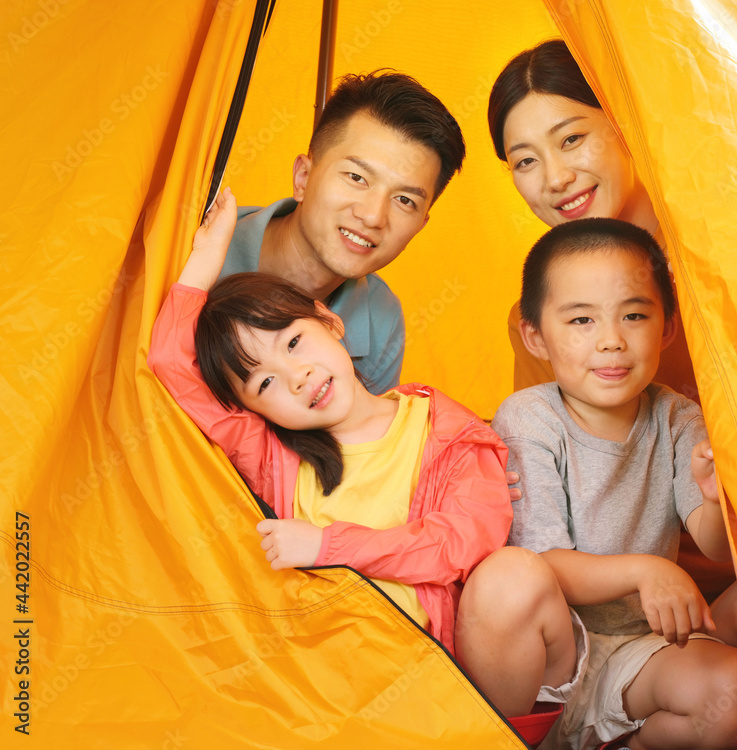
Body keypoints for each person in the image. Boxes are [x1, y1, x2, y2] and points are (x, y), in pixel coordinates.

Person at [148, 188, 583, 721]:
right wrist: (207, 255)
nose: (298, 377)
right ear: (256, 410)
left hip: (435, 680)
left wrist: (326, 545)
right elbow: (170, 363)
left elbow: (461, 544)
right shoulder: (273, 456)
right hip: (330, 683)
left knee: (513, 574)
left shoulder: (444, 430)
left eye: (293, 343)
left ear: (329, 322)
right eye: (265, 383)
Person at [488, 39, 736, 603]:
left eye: (571, 138)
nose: (554, 178)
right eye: (525, 160)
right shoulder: (542, 319)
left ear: (624, 123)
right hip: (620, 600)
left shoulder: (722, 264)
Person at [491, 219, 737, 750]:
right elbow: (543, 563)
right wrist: (644, 570)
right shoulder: (530, 418)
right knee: (733, 688)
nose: (612, 341)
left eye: (634, 315)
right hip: (565, 654)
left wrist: (712, 497)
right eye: (581, 320)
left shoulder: (677, 416)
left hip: (649, 644)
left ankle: (625, 741)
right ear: (536, 336)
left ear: (667, 328)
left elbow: (713, 543)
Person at [222, 71, 466, 396]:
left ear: (420, 225)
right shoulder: (185, 245)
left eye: (405, 200)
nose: (372, 216)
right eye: (356, 177)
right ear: (303, 178)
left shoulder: (382, 323)